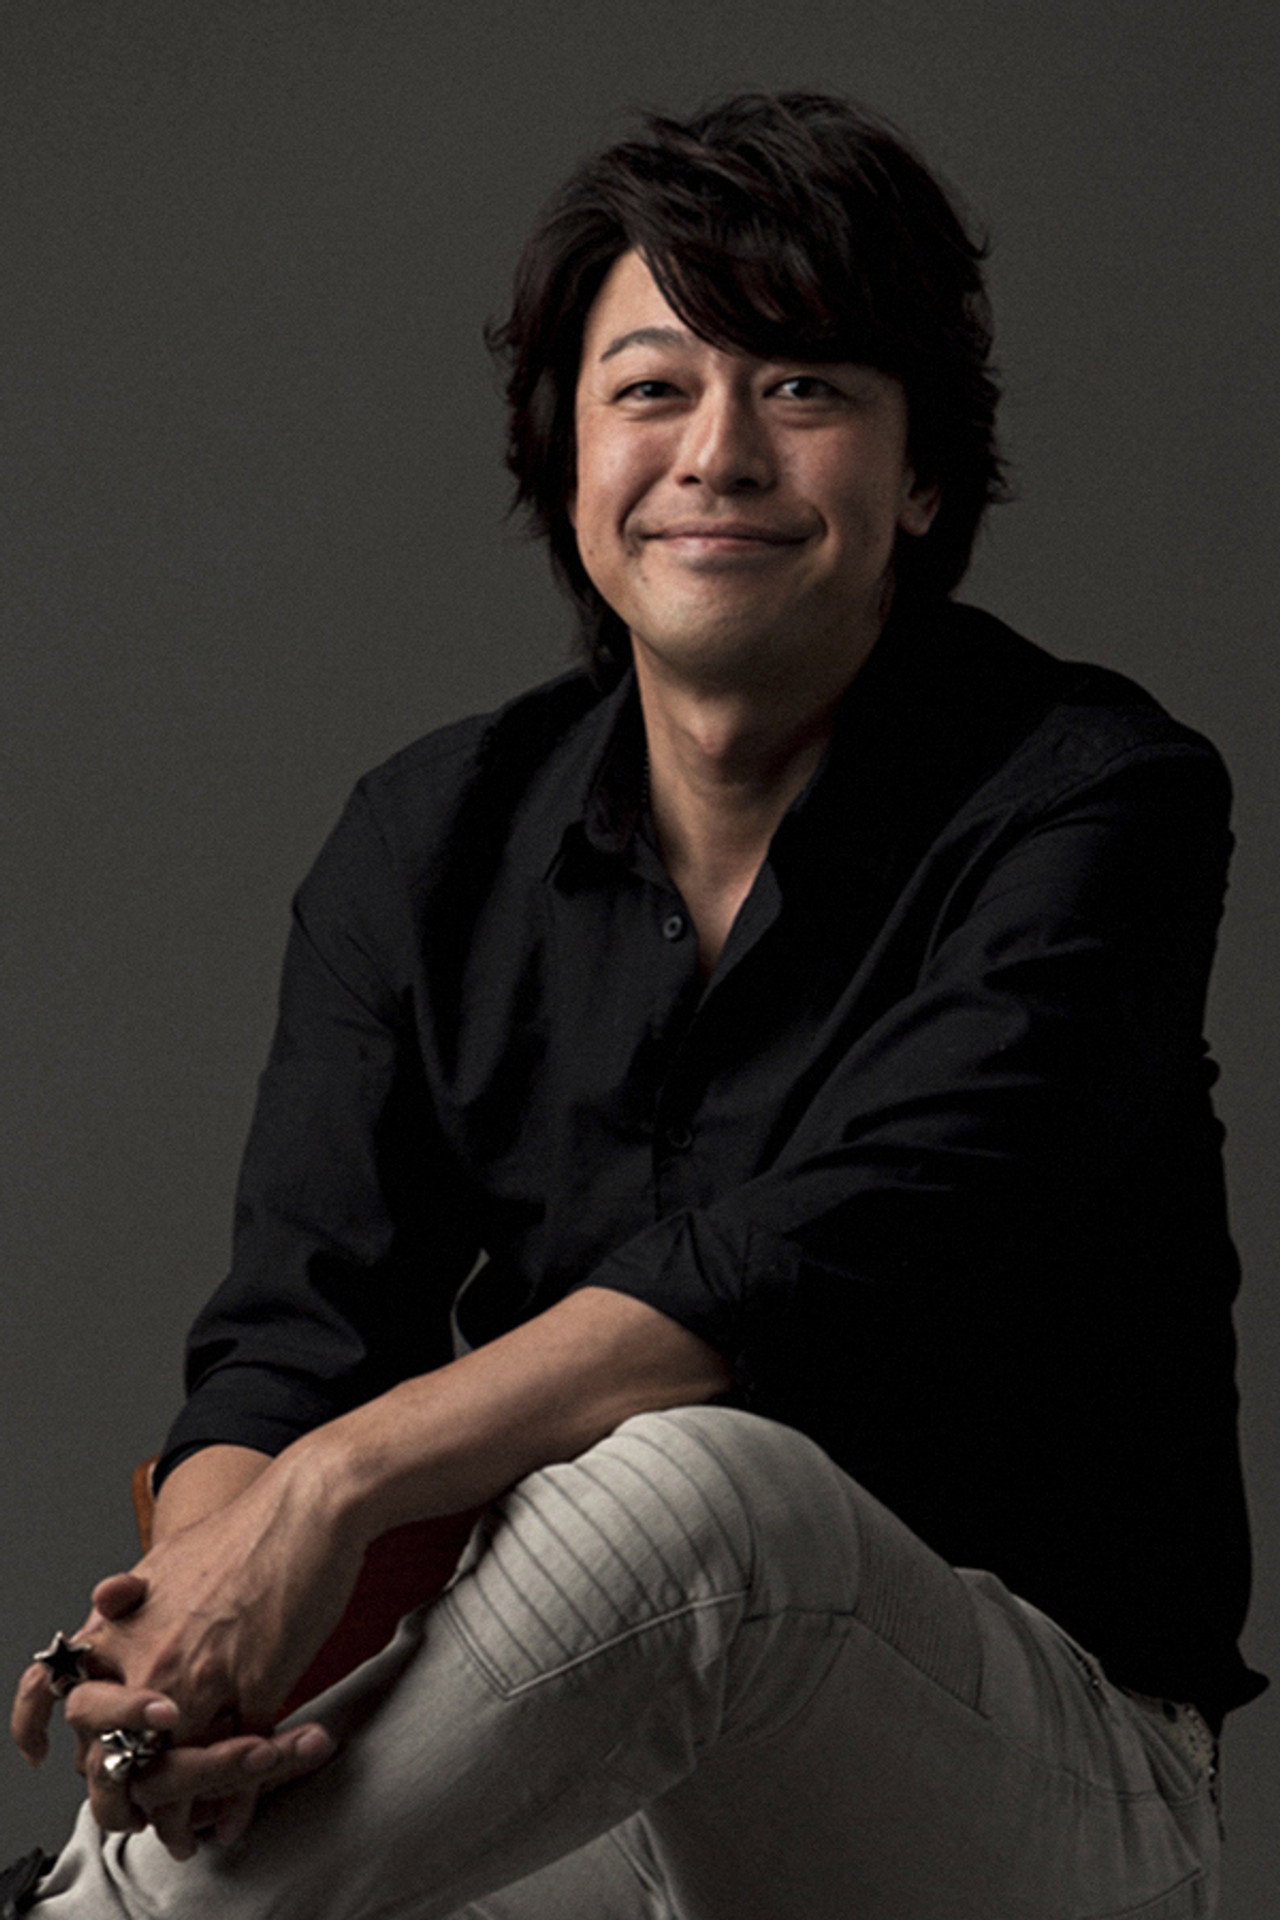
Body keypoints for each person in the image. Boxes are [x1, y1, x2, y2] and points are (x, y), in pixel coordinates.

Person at [6, 90, 1264, 1919]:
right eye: (653, 387)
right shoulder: (427, 840)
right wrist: (203, 1631)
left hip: (1039, 1780)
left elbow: (813, 1259)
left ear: (920, 477)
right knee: (305, 1719)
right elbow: (295, 1330)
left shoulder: (1096, 804)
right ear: (569, 458)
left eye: (805, 386)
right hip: (596, 1771)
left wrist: (333, 1492)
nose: (721, 453)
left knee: (700, 1495)